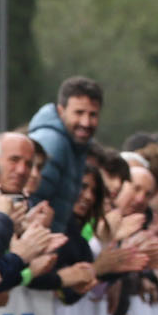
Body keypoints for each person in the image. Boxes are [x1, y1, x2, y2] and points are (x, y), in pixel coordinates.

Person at [28, 76, 102, 230]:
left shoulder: (76, 146)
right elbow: (32, 199)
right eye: (79, 113)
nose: (86, 122)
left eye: (93, 115)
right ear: (61, 111)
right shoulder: (53, 143)